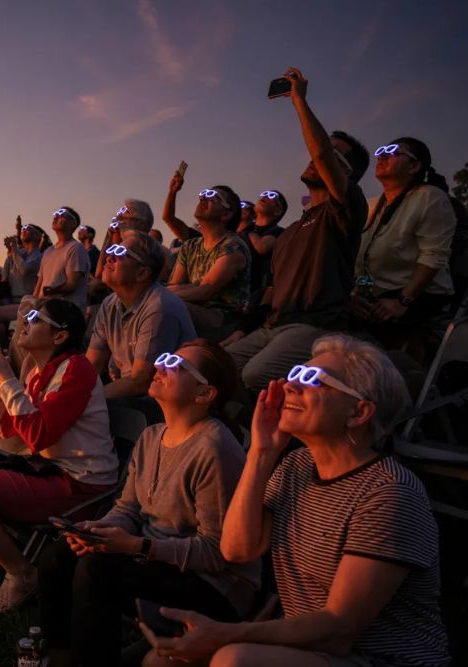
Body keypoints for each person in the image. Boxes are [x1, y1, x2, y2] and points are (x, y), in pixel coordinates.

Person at [143, 335, 449, 667]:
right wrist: (261, 452)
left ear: (358, 412)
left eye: (311, 379)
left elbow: (341, 627)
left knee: (235, 659)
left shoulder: (389, 493)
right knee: (158, 662)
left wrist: (227, 634)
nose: (290, 385)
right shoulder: (297, 465)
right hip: (311, 646)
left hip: (380, 658)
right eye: (294, 373)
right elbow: (236, 549)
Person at [38, 340, 260, 666]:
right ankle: (60, 658)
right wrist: (100, 530)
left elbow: (217, 551)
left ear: (204, 394)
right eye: (166, 358)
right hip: (154, 558)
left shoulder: (214, 448)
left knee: (98, 570)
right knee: (60, 556)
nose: (161, 366)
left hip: (214, 586)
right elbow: (129, 507)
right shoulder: (152, 436)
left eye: (177, 365)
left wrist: (137, 547)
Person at [0, 299, 118, 613]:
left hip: (82, 485)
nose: (25, 322)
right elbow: (9, 430)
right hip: (47, 468)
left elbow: (37, 435)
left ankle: (22, 573)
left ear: (59, 336)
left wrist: (6, 379)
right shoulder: (40, 372)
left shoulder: (76, 369)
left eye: (35, 317)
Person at [224, 68, 371, 391]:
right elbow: (274, 289)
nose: (315, 157)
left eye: (332, 156)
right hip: (272, 326)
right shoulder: (291, 232)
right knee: (214, 366)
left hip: (315, 326)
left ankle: (281, 437)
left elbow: (319, 152)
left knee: (254, 375)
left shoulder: (344, 209)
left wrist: (298, 101)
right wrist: (243, 329)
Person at [352, 137, 457, 352]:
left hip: (413, 299)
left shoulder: (430, 197)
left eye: (391, 151)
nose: (382, 155)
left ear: (414, 166)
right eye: (380, 150)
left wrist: (403, 301)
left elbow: (433, 255)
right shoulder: (371, 205)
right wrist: (353, 297)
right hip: (372, 298)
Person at [87, 232, 196, 405]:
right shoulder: (109, 303)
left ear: (142, 274)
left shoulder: (160, 307)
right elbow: (91, 366)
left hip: (163, 402)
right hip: (127, 393)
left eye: (121, 253)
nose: (109, 257)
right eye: (112, 249)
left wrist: (84, 400)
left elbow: (140, 382)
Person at [164, 178, 251, 340]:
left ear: (226, 214)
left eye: (214, 197)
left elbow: (205, 290)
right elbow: (174, 285)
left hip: (223, 319)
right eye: (203, 194)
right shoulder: (190, 246)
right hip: (193, 308)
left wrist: (159, 294)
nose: (204, 198)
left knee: (163, 305)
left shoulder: (233, 246)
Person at [0, 222, 44, 347]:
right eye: (23, 228)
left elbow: (24, 271)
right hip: (12, 301)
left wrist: (14, 248)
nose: (24, 230)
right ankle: (5, 346)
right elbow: (5, 279)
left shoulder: (39, 256)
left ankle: (4, 347)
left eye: (28, 229)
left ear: (37, 236)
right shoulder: (16, 254)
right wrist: (10, 253)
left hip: (28, 302)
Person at [33, 206, 90, 310]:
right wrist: (34, 302)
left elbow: (72, 285)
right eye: (55, 214)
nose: (56, 217)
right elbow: (40, 282)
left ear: (73, 223)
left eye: (62, 214)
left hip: (65, 310)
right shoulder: (48, 251)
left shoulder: (75, 248)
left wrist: (49, 291)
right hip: (44, 306)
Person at [241, 190, 289, 293]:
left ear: (278, 211)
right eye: (264, 194)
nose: (266, 196)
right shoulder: (244, 231)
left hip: (257, 292)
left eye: (272, 196)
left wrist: (248, 231)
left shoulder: (279, 232)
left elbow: (262, 247)